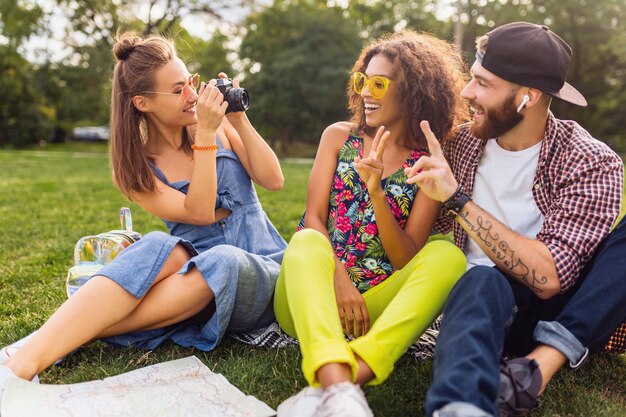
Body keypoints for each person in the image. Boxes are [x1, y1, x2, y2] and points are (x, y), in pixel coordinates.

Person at [0, 32, 287, 402]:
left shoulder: (219, 126)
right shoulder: (138, 169)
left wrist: (237, 119)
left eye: (192, 83)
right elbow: (199, 214)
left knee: (224, 260)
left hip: (261, 271)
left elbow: (274, 180)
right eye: (179, 89)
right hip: (194, 288)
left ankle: (63, 334)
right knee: (159, 244)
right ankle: (25, 365)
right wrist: (206, 136)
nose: (193, 95)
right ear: (143, 102)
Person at [404, 22, 625, 417]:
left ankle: (543, 360)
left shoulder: (591, 160)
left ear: (528, 97)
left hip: (558, 307)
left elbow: (549, 279)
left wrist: (457, 199)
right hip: (479, 303)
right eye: (471, 78)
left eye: (483, 84)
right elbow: (407, 232)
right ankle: (461, 408)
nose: (466, 93)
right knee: (482, 278)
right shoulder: (460, 144)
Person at [273, 30, 469, 417]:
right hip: (309, 298)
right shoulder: (337, 137)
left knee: (447, 254)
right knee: (306, 242)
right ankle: (337, 382)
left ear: (414, 91)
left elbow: (404, 260)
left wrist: (377, 192)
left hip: (374, 308)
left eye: (379, 83)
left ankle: (350, 378)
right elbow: (313, 218)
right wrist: (340, 282)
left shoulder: (427, 162)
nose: (367, 92)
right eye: (363, 81)